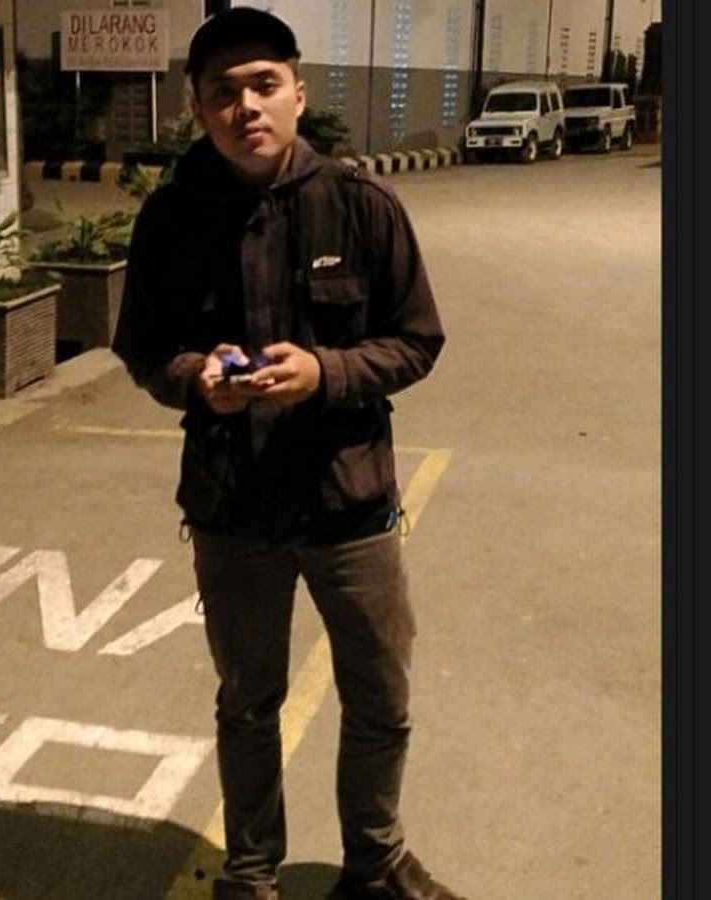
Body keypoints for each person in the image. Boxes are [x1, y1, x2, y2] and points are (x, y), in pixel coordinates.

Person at [111, 8, 463, 900]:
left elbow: (416, 339)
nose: (246, 107)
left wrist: (327, 372)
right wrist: (196, 377)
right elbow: (141, 346)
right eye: (224, 92)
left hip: (350, 503)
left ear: (298, 94)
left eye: (264, 84)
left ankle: (374, 862)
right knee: (247, 702)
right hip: (233, 508)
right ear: (197, 106)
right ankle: (252, 871)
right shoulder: (169, 220)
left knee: (379, 697)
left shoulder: (362, 204)